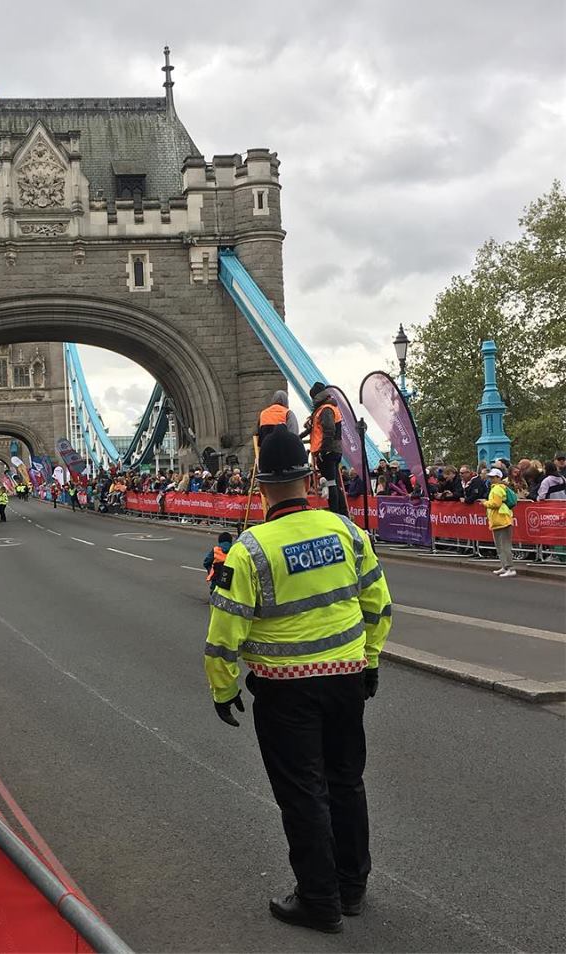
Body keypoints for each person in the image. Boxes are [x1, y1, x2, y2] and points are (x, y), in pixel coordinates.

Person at [205, 425, 392, 933]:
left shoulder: (249, 549)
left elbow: (225, 631)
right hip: (348, 679)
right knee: (347, 782)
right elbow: (379, 605)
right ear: (310, 478)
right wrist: (370, 659)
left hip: (284, 688)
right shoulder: (348, 532)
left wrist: (223, 688)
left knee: (303, 792)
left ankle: (318, 899)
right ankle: (352, 888)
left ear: (259, 485)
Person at [302, 383, 348, 516]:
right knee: (333, 483)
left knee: (331, 483)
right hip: (332, 450)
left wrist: (324, 450)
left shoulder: (325, 409)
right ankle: (342, 513)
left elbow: (329, 430)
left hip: (327, 451)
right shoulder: (326, 408)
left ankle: (336, 513)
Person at [481, 467, 516, 577]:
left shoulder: (497, 489)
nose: (491, 479)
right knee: (500, 545)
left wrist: (485, 503)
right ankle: (505, 566)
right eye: (490, 477)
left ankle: (510, 568)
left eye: (493, 477)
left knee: (504, 545)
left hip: (501, 520)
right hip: (498, 520)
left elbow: (496, 504)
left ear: (498, 477)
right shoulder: (498, 488)